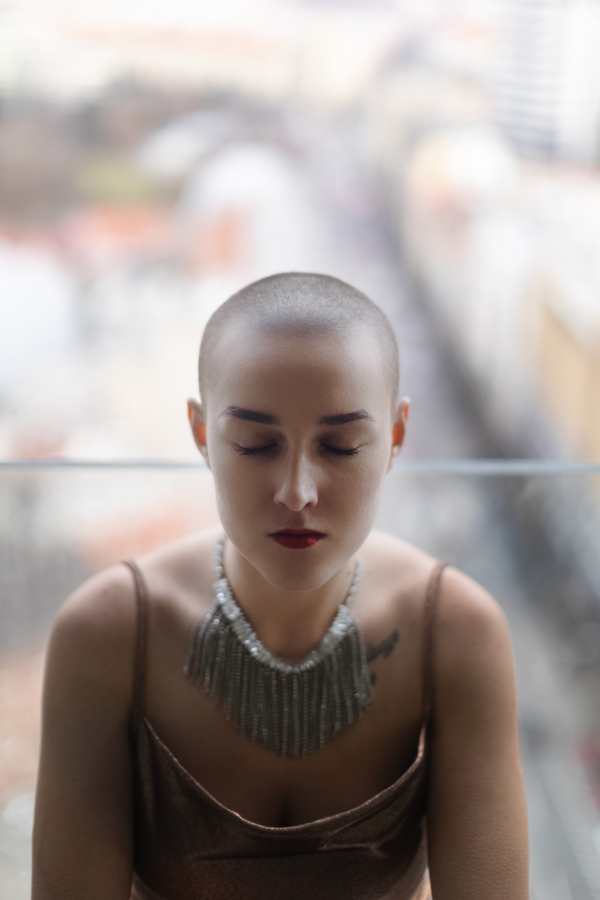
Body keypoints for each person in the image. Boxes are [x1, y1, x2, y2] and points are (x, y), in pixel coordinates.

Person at [32, 273, 529, 900]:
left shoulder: (454, 632)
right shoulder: (108, 632)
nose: (297, 491)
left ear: (396, 438)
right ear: (202, 435)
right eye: (256, 444)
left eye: (342, 446)